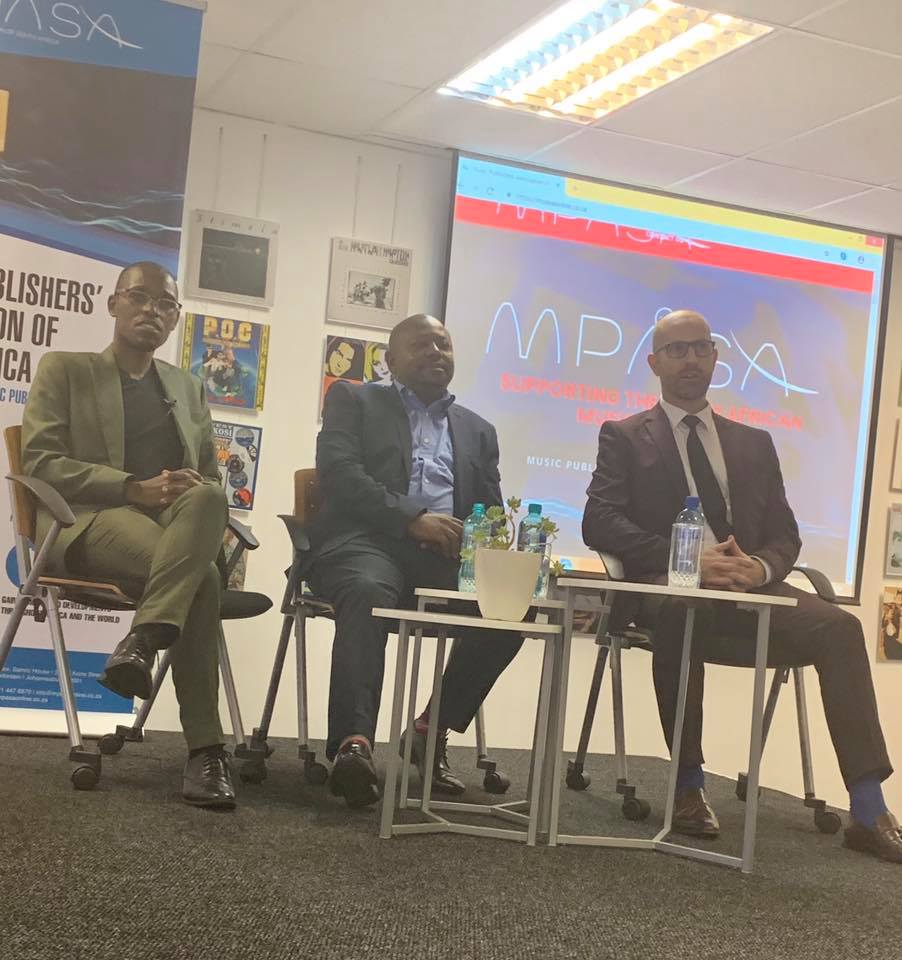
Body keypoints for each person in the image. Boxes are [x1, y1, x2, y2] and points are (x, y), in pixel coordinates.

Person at [582, 309, 900, 864]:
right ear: (654, 363)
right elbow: (599, 520)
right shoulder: (625, 436)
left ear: (714, 358)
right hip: (672, 585)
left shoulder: (754, 442)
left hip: (750, 590)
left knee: (841, 628)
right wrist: (689, 559)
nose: (690, 359)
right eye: (677, 350)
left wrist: (759, 568)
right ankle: (688, 784)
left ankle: (869, 809)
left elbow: (785, 534)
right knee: (682, 611)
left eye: (700, 348)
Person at [21, 261, 235, 810]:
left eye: (165, 304)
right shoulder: (66, 370)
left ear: (176, 319)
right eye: (139, 297)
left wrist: (193, 487)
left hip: (170, 528)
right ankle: (206, 751)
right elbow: (40, 461)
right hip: (88, 520)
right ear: (113, 303)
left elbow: (210, 477)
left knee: (210, 499)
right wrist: (132, 488)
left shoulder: (187, 387)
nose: (151, 311)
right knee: (204, 580)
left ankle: (140, 642)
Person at [310, 313, 522, 808]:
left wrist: (485, 541)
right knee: (368, 591)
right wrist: (411, 519)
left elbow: (490, 509)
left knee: (511, 609)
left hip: (445, 556)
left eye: (442, 344)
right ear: (390, 359)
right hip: (367, 542)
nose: (434, 352)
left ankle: (429, 730)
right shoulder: (355, 400)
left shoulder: (479, 430)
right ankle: (354, 744)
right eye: (421, 344)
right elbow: (339, 475)